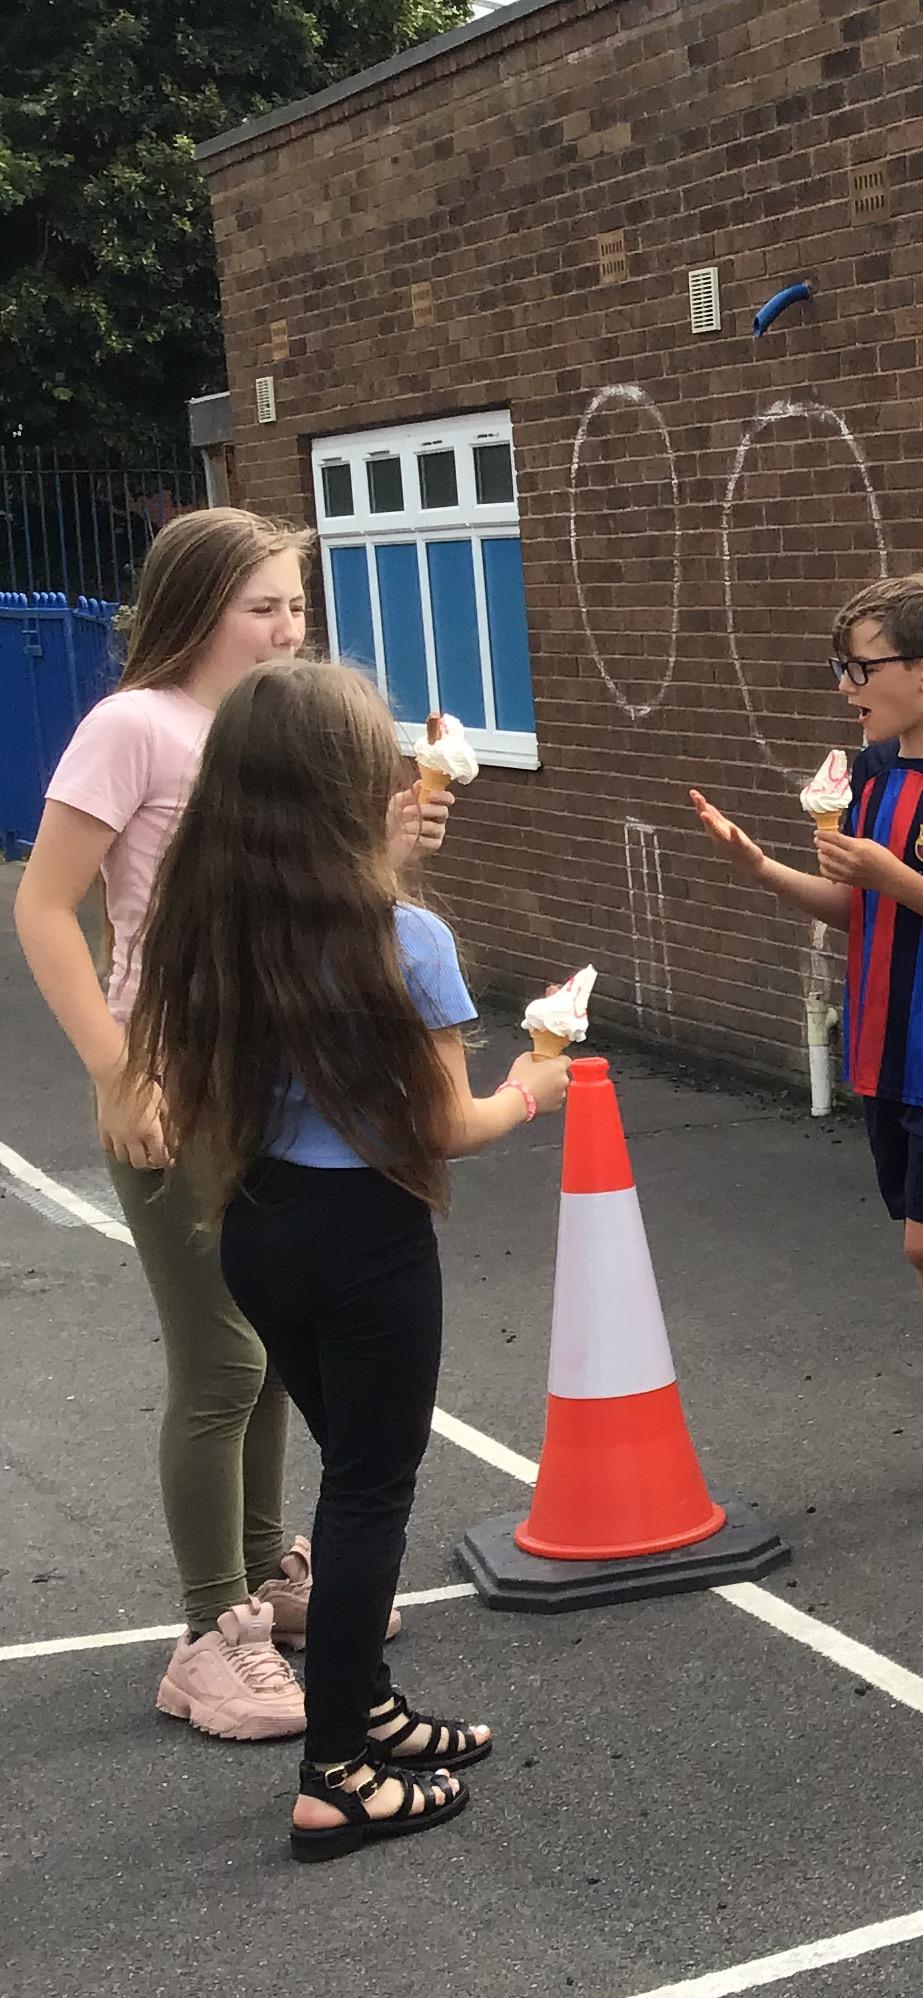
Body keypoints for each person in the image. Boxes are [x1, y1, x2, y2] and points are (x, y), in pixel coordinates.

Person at [126, 659, 568, 1857]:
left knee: (349, 1470)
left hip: (258, 1227)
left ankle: (363, 1706)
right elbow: (446, 1124)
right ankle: (336, 1774)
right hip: (368, 1238)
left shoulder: (207, 930)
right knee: (373, 1489)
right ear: (346, 793)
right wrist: (534, 1086)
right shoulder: (406, 941)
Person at [11, 508, 440, 1738]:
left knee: (264, 1343)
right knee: (223, 1362)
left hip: (258, 1075)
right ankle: (208, 1633)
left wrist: (391, 841)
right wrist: (115, 1070)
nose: (290, 627)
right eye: (264, 606)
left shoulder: (257, 728)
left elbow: (307, 901)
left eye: (298, 603)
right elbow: (45, 907)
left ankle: (260, 1578)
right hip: (172, 1073)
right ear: (195, 608)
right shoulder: (132, 727)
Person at [691, 569, 923, 1519]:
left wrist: (894, 874)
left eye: (862, 668)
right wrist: (758, 865)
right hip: (883, 1045)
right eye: (841, 668)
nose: (848, 687)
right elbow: (857, 910)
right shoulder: (874, 771)